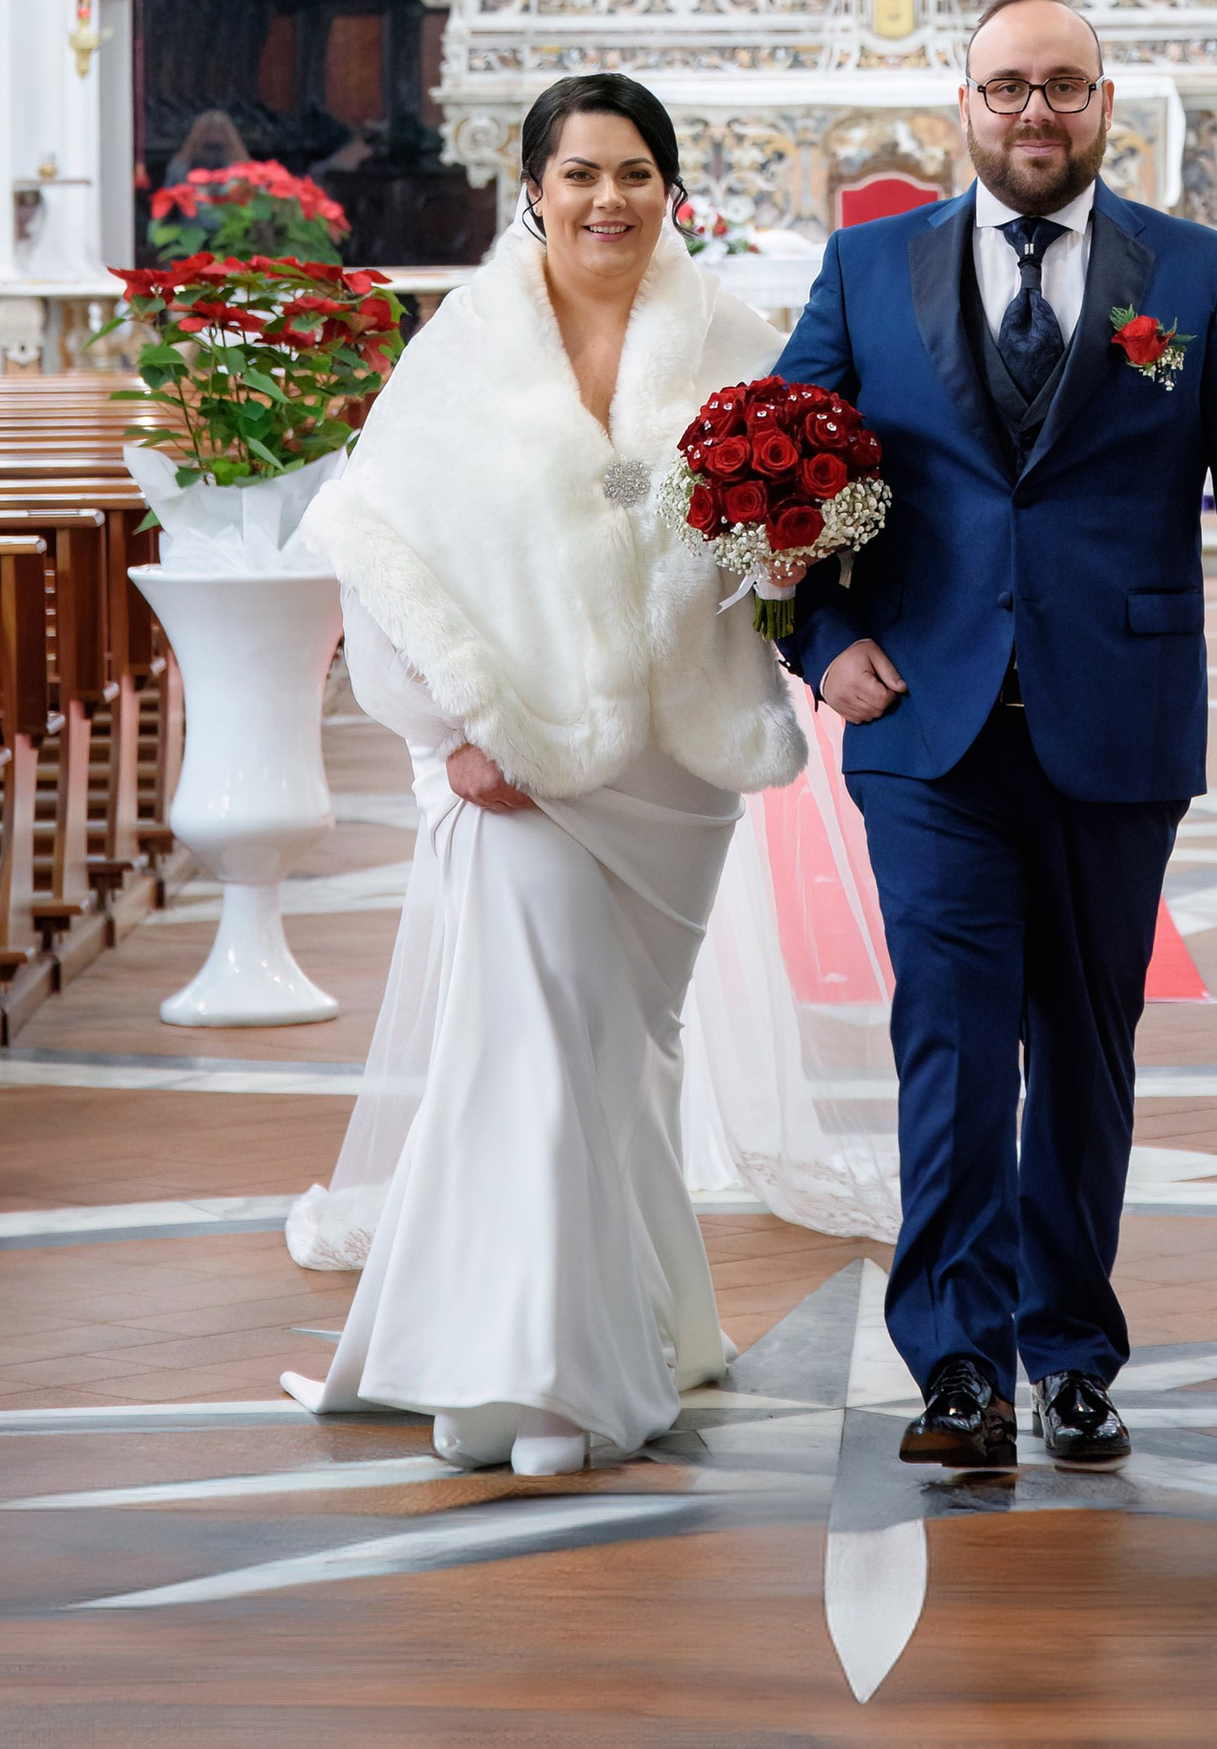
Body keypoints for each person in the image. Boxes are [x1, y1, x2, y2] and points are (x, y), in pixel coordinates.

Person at [776, 0, 1217, 1475]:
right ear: (961, 101)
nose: (1037, 112)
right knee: (951, 1047)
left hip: (1117, 713)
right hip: (927, 724)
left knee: (1086, 1051)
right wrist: (823, 642)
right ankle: (957, 1365)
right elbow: (779, 471)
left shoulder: (1199, 274)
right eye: (1009, 86)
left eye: (1066, 87)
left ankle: (1074, 1354)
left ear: (1106, 102)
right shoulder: (866, 264)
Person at [282, 71, 805, 1471]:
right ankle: (535, 1373)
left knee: (623, 1057)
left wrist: (797, 557)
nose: (609, 198)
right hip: (513, 768)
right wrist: (445, 733)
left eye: (635, 172)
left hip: (672, 775)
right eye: (580, 171)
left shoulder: (740, 340)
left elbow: (784, 542)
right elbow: (377, 548)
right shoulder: (461, 347)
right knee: (531, 1054)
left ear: (671, 188)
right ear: (534, 186)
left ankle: (632, 1329)